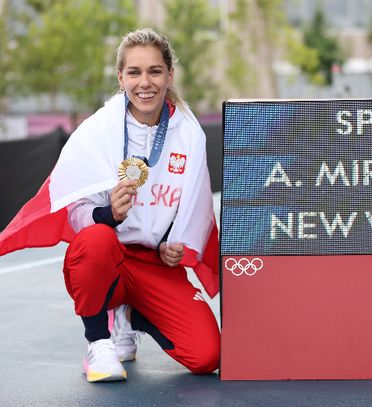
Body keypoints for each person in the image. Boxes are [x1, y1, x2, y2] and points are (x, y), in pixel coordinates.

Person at [0, 28, 220, 382]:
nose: (144, 82)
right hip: (108, 257)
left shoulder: (189, 133)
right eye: (134, 72)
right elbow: (75, 211)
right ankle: (98, 341)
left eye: (154, 71)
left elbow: (195, 205)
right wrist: (108, 214)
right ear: (121, 77)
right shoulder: (97, 130)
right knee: (96, 239)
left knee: (207, 355)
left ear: (169, 75)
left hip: (154, 265)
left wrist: (174, 243)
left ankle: (131, 315)